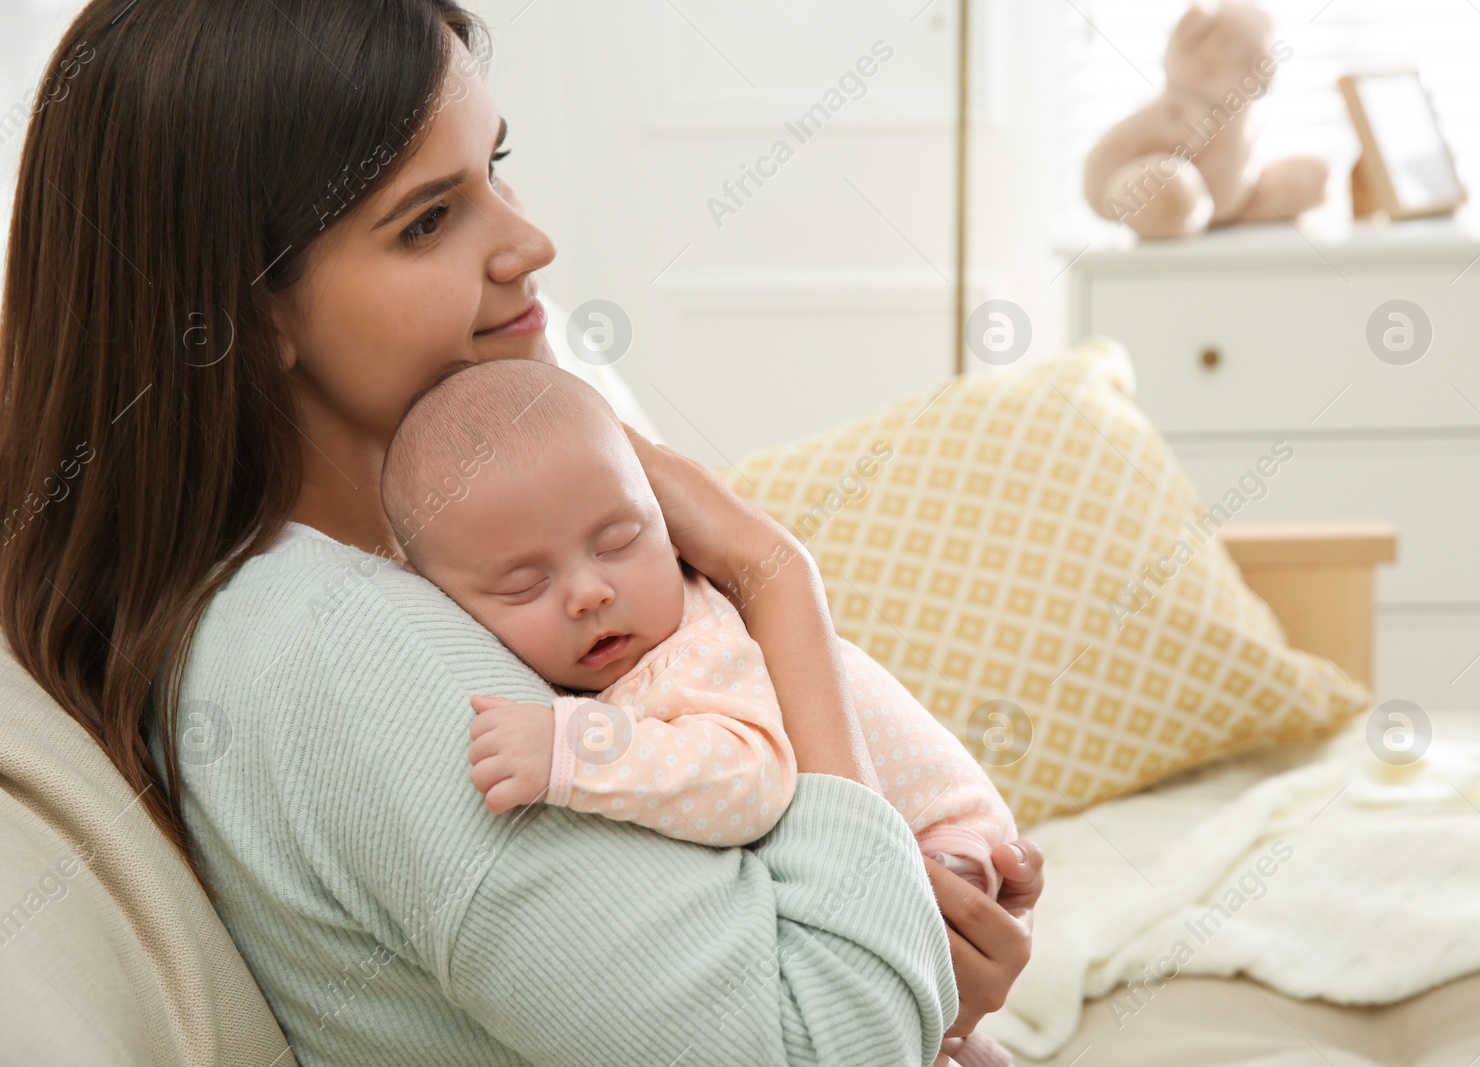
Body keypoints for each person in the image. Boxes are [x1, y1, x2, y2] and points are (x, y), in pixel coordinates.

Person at [0, 2, 1041, 1065]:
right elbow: (825, 1044)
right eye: (427, 219)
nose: (529, 241)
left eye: (498, 167)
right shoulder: (342, 650)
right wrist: (776, 576)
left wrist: (923, 952)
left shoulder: (424, 567)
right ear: (242, 312)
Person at [380, 358, 1020, 895]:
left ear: (668, 525)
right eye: (525, 585)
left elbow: (750, 782)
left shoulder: (693, 649)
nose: (589, 593)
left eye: (619, 541)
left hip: (942, 837)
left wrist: (577, 746)